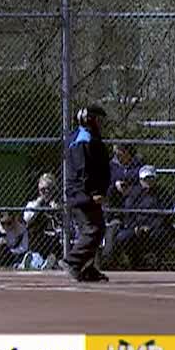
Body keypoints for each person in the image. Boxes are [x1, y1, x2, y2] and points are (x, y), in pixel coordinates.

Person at [64, 104, 111, 282]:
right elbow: (84, 171)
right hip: (82, 194)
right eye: (98, 119)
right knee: (93, 229)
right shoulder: (83, 140)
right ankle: (73, 261)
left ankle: (86, 268)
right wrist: (92, 194)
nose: (101, 124)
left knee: (96, 228)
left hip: (85, 193)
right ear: (89, 119)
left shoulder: (88, 137)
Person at [106, 165, 172, 269]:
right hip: (136, 227)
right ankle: (133, 260)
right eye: (145, 179)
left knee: (161, 234)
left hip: (155, 228)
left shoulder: (162, 193)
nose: (148, 182)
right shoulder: (134, 194)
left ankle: (156, 261)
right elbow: (129, 214)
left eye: (151, 178)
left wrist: (150, 226)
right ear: (140, 180)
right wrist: (136, 227)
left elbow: (164, 215)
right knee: (123, 236)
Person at [23, 173, 63, 269]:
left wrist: (57, 210)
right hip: (39, 240)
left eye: (48, 189)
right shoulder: (33, 204)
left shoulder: (59, 204)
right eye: (42, 190)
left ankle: (45, 263)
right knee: (37, 258)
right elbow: (27, 218)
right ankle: (38, 262)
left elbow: (65, 223)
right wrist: (39, 204)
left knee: (55, 258)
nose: (45, 192)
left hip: (56, 240)